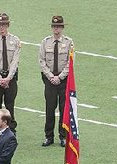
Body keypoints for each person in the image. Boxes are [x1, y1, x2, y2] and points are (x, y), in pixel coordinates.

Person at [39, 15, 72, 147]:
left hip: (63, 80)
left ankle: (63, 136)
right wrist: (51, 76)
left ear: (62, 28)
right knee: (50, 108)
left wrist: (60, 77)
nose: (56, 28)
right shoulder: (45, 42)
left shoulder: (69, 42)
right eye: (54, 26)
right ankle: (49, 136)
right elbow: (41, 61)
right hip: (50, 79)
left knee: (64, 109)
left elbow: (70, 62)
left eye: (58, 26)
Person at [0, 13, 20, 132]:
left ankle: (11, 132)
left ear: (8, 25)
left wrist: (8, 78)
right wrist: (0, 78)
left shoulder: (15, 41)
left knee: (10, 106)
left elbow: (15, 62)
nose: (2, 27)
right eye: (0, 25)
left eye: (4, 25)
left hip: (10, 79)